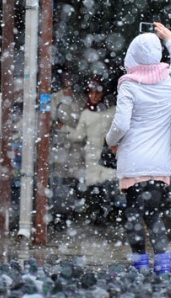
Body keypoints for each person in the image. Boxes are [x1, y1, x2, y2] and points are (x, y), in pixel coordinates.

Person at [105, 22, 171, 275]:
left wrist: (110, 142)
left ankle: (139, 264)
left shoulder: (128, 84)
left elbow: (120, 124)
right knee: (153, 214)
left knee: (133, 213)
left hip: (133, 160)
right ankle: (162, 264)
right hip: (159, 161)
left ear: (131, 55)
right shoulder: (170, 79)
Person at [64, 77, 117, 226]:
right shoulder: (87, 113)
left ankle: (107, 216)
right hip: (94, 156)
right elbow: (78, 136)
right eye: (91, 93)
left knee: (109, 185)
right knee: (96, 188)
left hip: (109, 155)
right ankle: (99, 218)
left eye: (97, 93)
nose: (94, 96)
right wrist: (65, 129)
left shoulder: (112, 111)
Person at [49, 73, 86, 230]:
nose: (69, 88)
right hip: (59, 146)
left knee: (73, 182)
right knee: (59, 182)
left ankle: (69, 214)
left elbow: (83, 121)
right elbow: (50, 119)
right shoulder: (54, 98)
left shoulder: (80, 99)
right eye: (66, 85)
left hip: (75, 147)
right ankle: (58, 215)